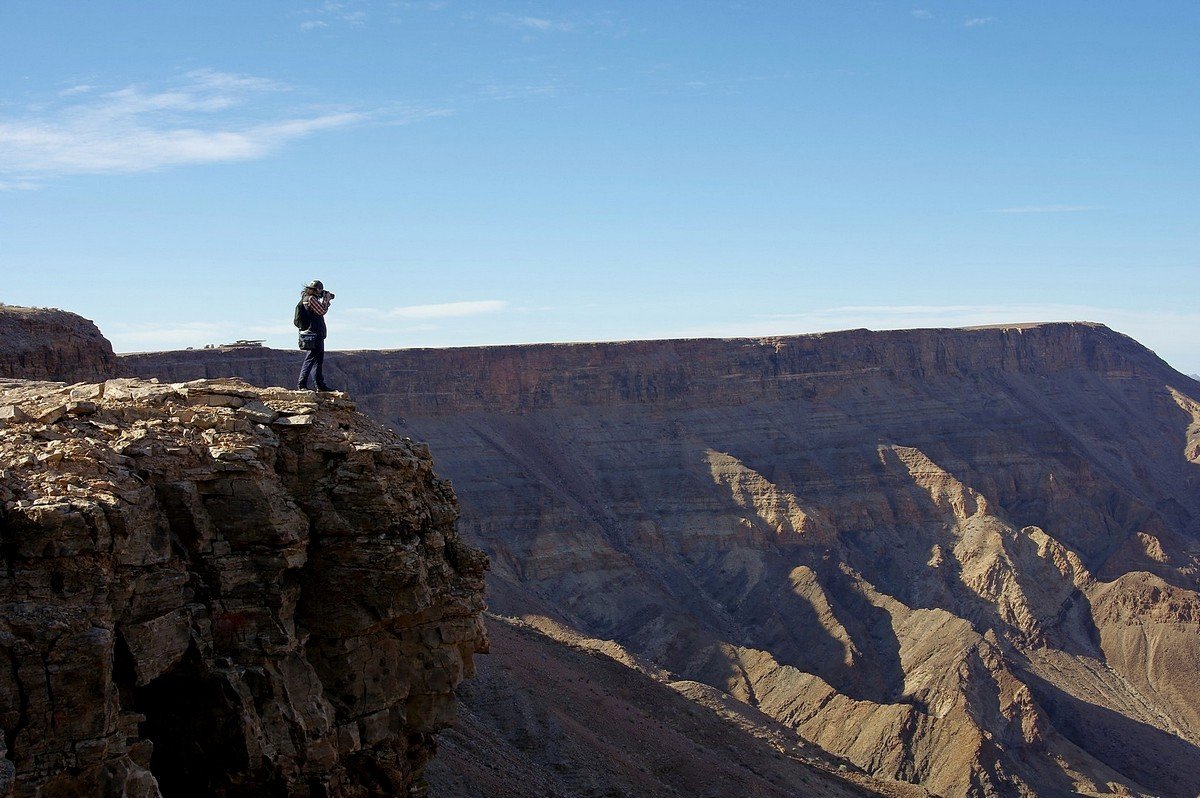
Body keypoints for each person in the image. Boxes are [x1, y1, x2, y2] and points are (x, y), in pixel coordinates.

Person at [297, 279, 335, 391]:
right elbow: (322, 311)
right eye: (321, 290)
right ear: (317, 289)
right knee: (311, 359)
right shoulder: (311, 299)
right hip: (315, 333)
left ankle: (320, 385)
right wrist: (326, 300)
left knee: (318, 360)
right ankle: (302, 384)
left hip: (315, 333)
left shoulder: (307, 299)